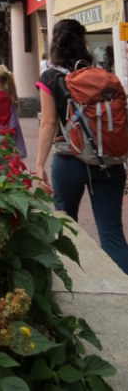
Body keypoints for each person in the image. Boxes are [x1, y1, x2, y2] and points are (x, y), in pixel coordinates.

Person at [36, 18, 128, 274]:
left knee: (66, 229)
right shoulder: (102, 75)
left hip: (69, 161)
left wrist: (39, 164)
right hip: (108, 161)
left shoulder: (50, 77)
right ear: (83, 43)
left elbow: (48, 123)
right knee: (112, 234)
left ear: (55, 44)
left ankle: (74, 284)